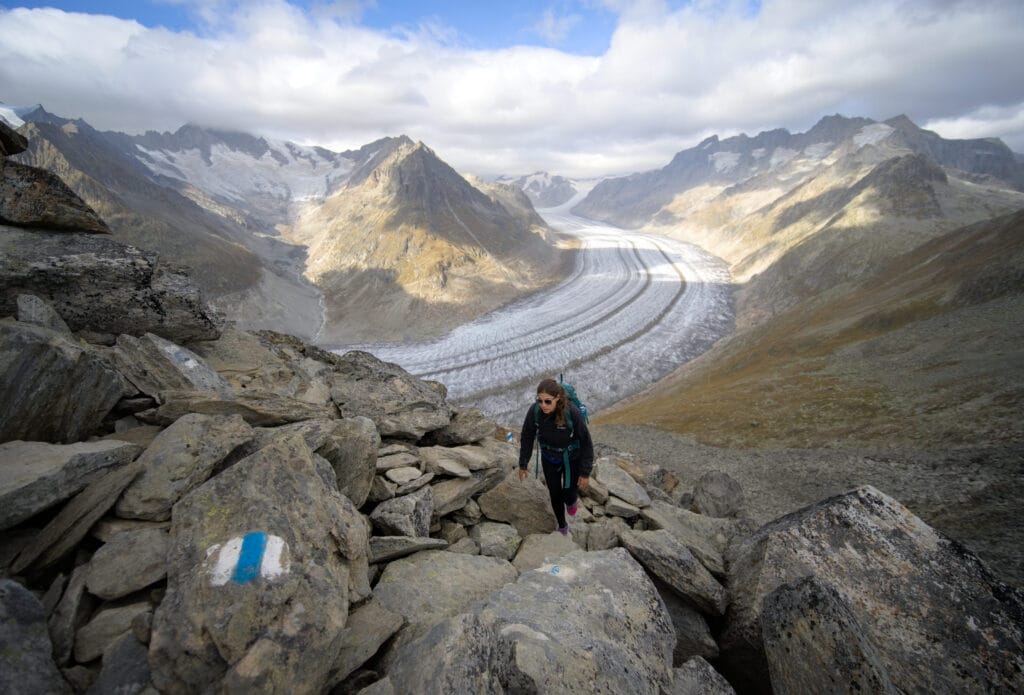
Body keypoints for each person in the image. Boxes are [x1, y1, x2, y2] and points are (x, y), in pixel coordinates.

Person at [518, 378, 594, 536]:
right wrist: (523, 464)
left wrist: (585, 473)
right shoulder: (535, 412)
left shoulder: (571, 412)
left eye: (547, 401)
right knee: (554, 493)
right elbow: (527, 436)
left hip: (571, 458)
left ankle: (571, 501)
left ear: (557, 398)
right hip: (549, 458)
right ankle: (562, 525)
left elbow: (586, 442)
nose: (543, 405)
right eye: (539, 400)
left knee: (569, 492)